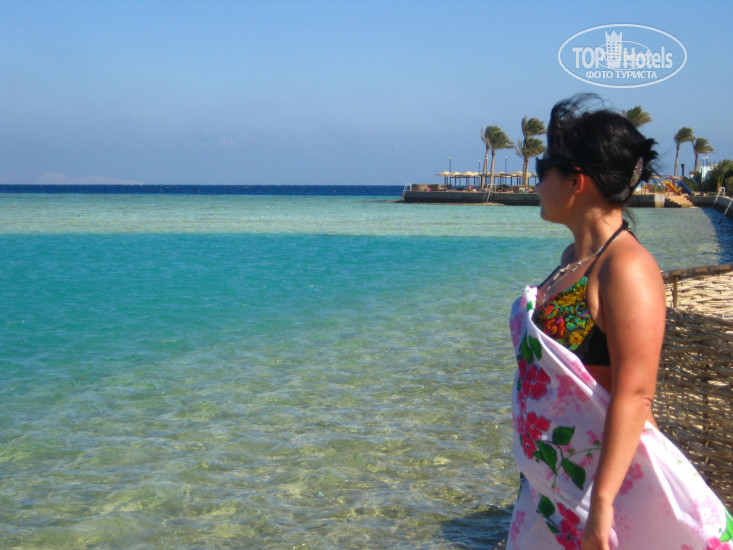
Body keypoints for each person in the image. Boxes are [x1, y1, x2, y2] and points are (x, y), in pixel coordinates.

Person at [506, 95, 731, 550]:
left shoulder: (626, 267)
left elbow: (636, 391)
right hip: (558, 486)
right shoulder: (574, 258)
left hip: (607, 491)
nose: (535, 181)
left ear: (576, 180)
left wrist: (602, 503)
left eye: (542, 169)